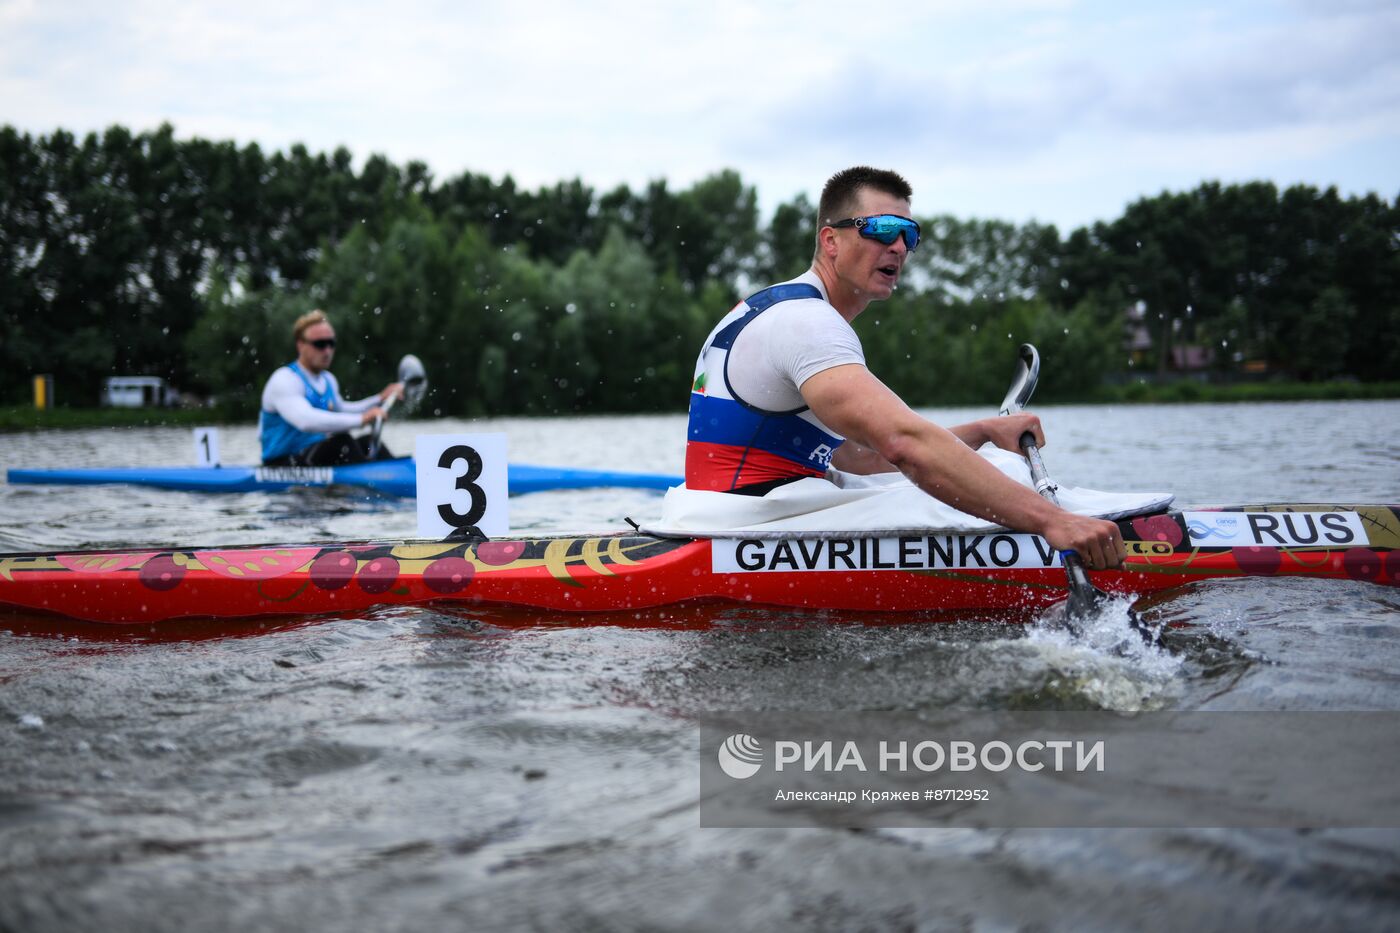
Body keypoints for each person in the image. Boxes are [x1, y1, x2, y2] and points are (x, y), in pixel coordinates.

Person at [684, 166, 1126, 569]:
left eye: (909, 235)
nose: (898, 246)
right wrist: (1054, 524)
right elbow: (903, 444)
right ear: (830, 240)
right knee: (1010, 479)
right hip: (750, 525)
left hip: (736, 510)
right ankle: (1107, 530)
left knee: (992, 466)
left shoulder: (784, 308)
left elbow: (859, 457)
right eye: (881, 229)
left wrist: (984, 432)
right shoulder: (809, 323)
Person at [259, 310, 403, 466]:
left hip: (314, 456)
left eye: (331, 343)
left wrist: (379, 399)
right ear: (301, 345)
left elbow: (342, 410)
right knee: (342, 443)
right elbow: (305, 421)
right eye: (319, 344)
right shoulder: (284, 379)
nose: (327, 351)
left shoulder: (328, 380)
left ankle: (404, 479)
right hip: (282, 463)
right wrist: (362, 419)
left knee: (368, 441)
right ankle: (373, 483)